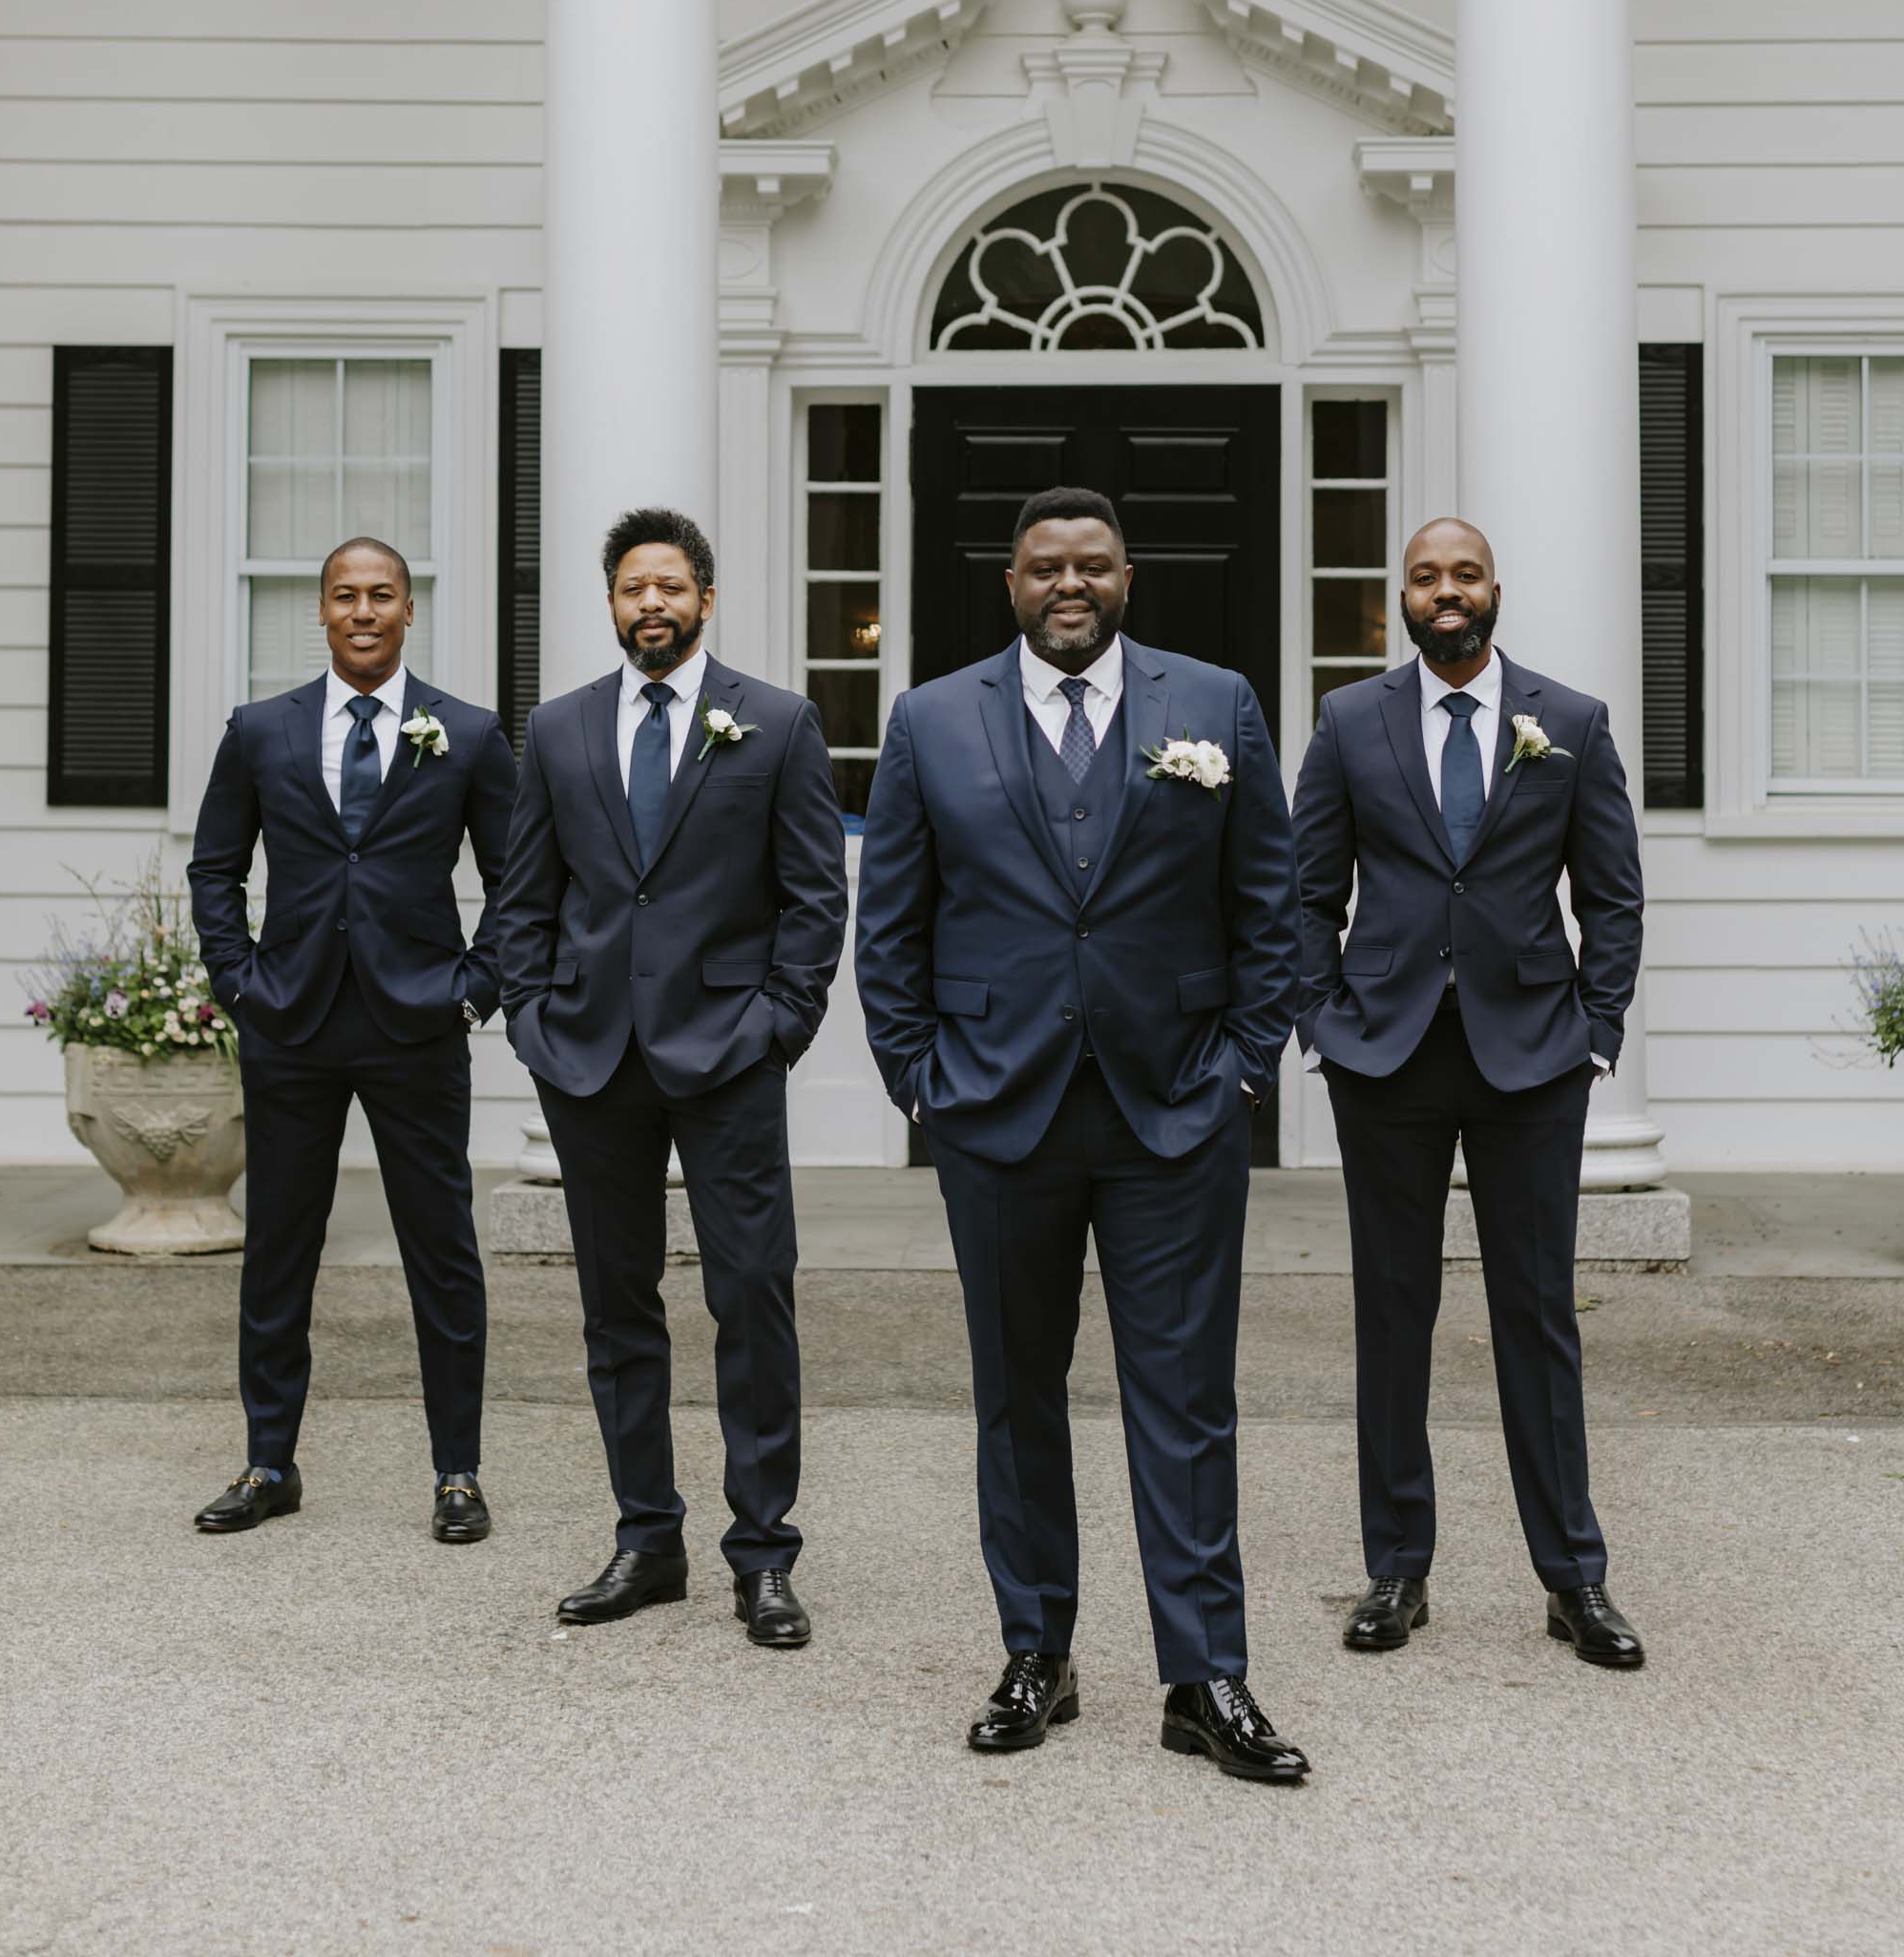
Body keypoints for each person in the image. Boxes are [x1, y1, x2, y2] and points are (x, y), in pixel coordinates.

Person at [855, 486, 1308, 1782]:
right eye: (1046, 566)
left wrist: (1240, 1074)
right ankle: (1035, 1653)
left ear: (1128, 578)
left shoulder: (1213, 704)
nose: (1071, 584)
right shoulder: (932, 718)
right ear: (1009, 583)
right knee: (1016, 1396)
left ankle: (1204, 1675)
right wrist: (919, 1081)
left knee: (1187, 1401)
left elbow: (1266, 905)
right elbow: (890, 922)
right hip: (997, 1112)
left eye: (1094, 565)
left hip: (1175, 1110)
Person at [1291, 516, 1647, 1669]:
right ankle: (1396, 1567)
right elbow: (1302, 891)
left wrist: (1593, 1033)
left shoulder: (1571, 722)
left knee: (1535, 1317)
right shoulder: (1348, 721)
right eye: (1423, 576)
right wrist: (1321, 1017)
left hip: (1532, 1058)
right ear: (1398, 594)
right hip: (1384, 1055)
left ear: (1495, 588)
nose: (1444, 593)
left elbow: (1612, 893)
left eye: (1463, 574)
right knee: (1391, 1317)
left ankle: (1572, 1578)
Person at [496, 507, 847, 1649]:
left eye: (669, 585)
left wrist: (778, 1023)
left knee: (750, 1297)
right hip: (591, 1059)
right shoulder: (556, 731)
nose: (650, 603)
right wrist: (533, 1022)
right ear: (610, 604)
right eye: (631, 587)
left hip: (728, 1056)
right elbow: (523, 899)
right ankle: (647, 1536)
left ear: (704, 596)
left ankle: (763, 1555)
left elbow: (813, 896)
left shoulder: (778, 723)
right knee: (617, 1309)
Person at [187, 537, 516, 1543]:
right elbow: (214, 867)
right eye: (345, 595)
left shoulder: (465, 734)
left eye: (382, 595)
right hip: (292, 1022)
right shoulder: (260, 731)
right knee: (279, 1250)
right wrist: (241, 984)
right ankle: (268, 1461)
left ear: (409, 611)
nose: (363, 610)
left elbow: (519, 883)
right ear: (320, 613)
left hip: (417, 1024)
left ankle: (456, 1472)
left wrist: (474, 991)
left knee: (442, 1253)